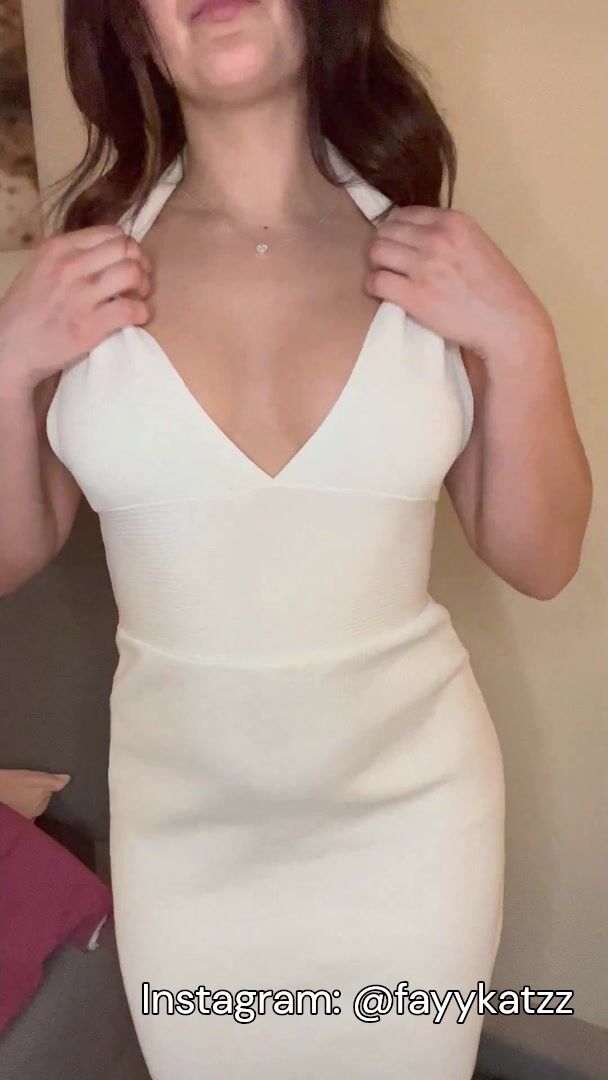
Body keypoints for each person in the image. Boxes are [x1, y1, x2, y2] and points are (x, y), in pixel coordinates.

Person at [0, 1, 592, 1077]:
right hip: (184, 842)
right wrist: (5, 361)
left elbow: (541, 560)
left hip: (413, 828)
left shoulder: (429, 257)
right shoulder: (81, 274)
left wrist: (522, 339)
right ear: (133, 28)